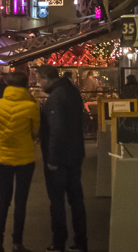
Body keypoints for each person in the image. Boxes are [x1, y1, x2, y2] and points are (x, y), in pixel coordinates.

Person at [38, 65, 87, 252]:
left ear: (45, 78)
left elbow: (56, 130)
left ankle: (59, 242)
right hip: (75, 153)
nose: (37, 83)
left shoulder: (55, 98)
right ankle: (81, 240)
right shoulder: (72, 92)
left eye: (38, 79)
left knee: (57, 202)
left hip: (60, 158)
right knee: (76, 199)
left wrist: (52, 158)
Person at [0, 71, 40, 252]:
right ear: (26, 86)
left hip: (3, 158)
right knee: (21, 201)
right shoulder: (31, 106)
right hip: (25, 158)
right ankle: (17, 242)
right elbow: (35, 133)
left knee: (4, 199)